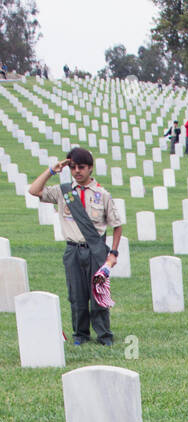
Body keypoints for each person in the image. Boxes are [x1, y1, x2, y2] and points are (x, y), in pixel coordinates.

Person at [28, 146, 122, 346]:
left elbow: (117, 226)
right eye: (73, 167)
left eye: (81, 167)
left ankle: (104, 335)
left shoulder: (102, 194)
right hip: (72, 250)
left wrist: (113, 253)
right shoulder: (64, 192)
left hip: (95, 250)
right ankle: (80, 334)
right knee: (76, 296)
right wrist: (53, 170)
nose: (77, 171)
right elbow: (34, 190)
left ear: (90, 168)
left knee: (98, 295)